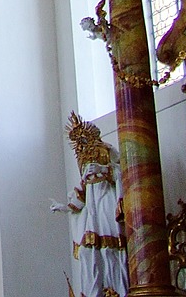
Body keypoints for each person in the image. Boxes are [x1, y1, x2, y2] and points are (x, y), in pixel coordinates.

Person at [53, 113, 127, 297]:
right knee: (88, 252)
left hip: (107, 203)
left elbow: (125, 173)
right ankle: (94, 292)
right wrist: (65, 207)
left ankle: (119, 290)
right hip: (92, 209)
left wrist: (104, 169)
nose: (79, 144)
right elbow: (83, 190)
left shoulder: (107, 150)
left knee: (110, 249)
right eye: (77, 141)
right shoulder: (83, 161)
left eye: (82, 139)